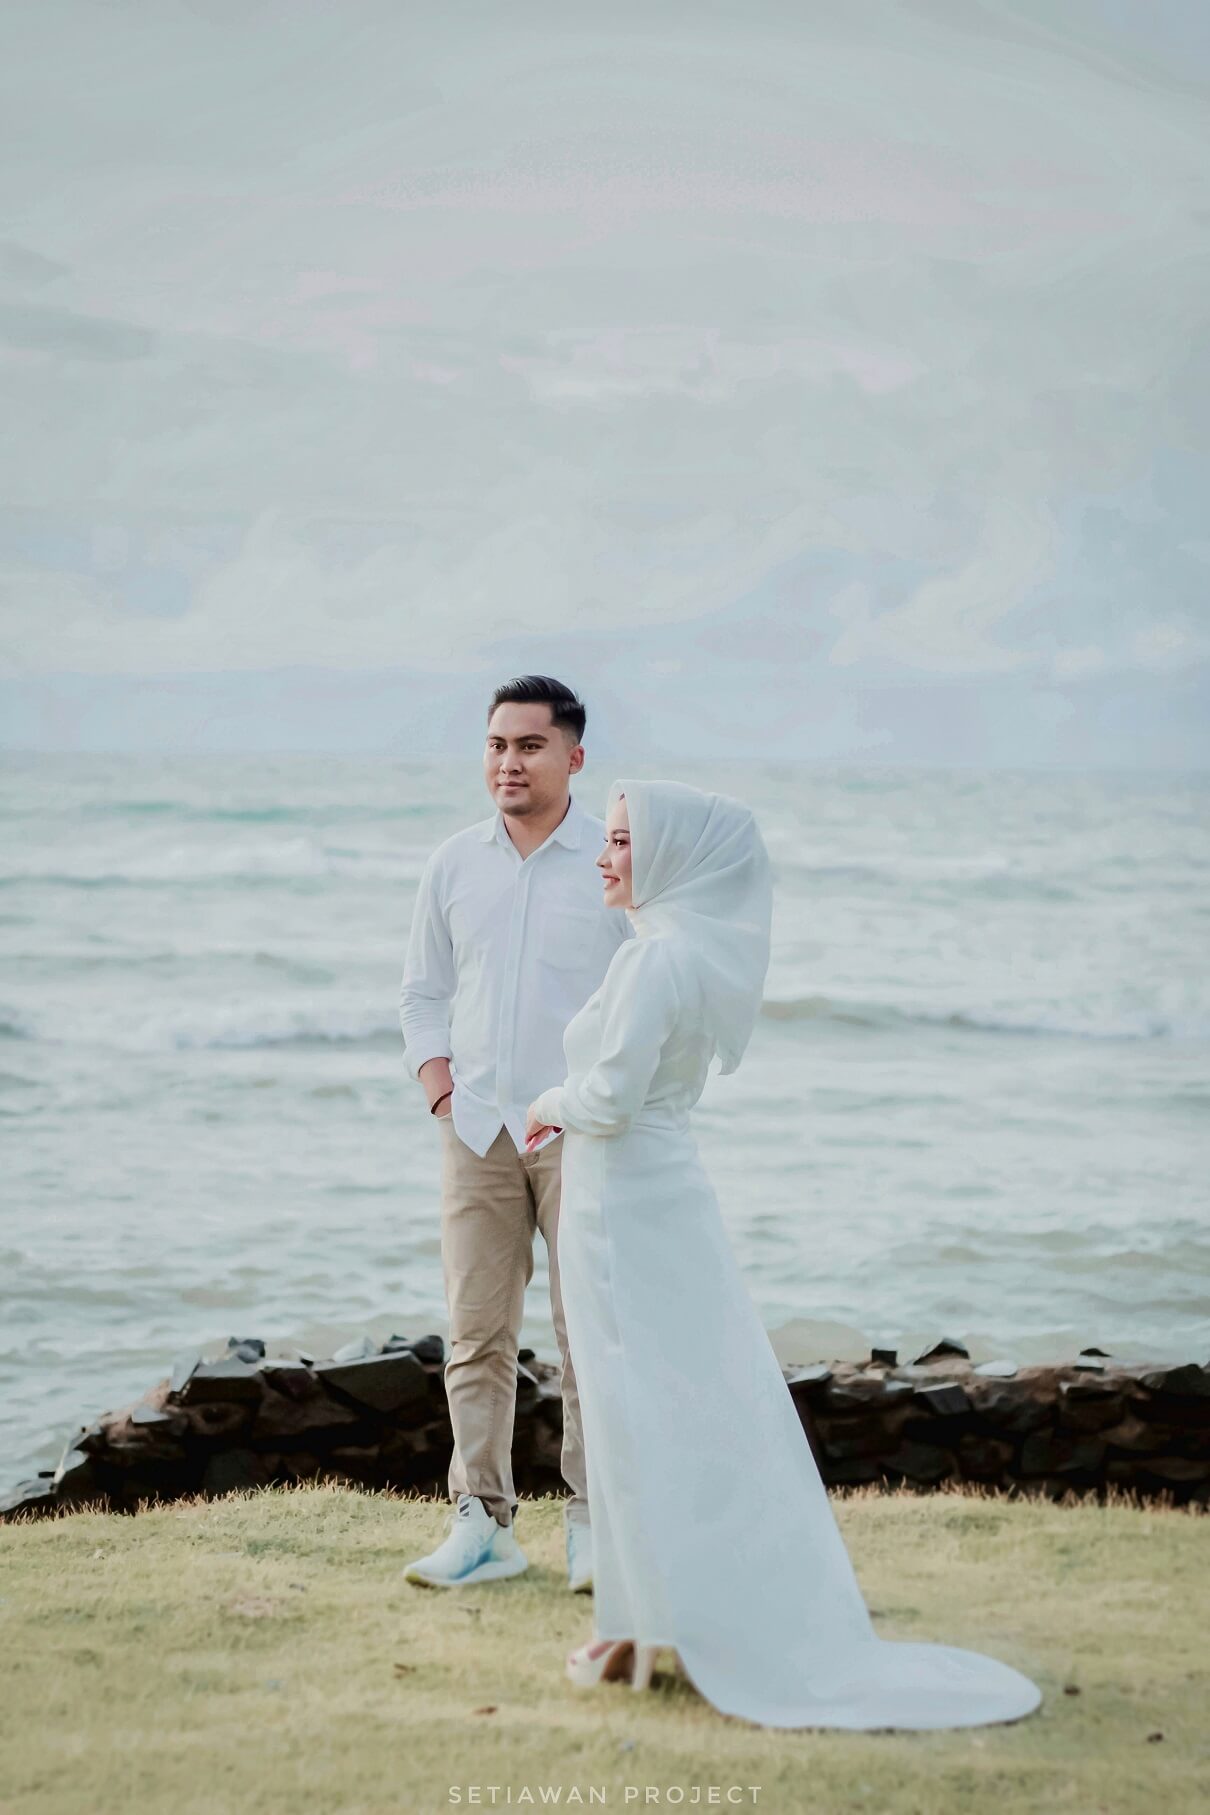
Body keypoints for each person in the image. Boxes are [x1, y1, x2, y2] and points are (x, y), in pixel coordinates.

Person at [524, 778, 1043, 1730]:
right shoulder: (686, 955)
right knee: (671, 1401)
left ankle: (642, 1624)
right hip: (663, 1195)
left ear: (671, 855)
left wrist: (546, 1102)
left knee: (632, 1407)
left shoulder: (655, 961)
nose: (604, 852)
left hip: (619, 1204)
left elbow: (609, 1101)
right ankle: (638, 1621)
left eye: (624, 840)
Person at [399, 676, 630, 1590]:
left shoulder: (612, 865)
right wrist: (440, 1093)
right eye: (497, 744)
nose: (508, 762)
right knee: (475, 1335)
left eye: (530, 746)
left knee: (590, 1336)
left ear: (574, 756)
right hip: (477, 1130)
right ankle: (482, 1522)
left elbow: (646, 1000)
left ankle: (594, 1525)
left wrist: (605, 1101)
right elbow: (422, 992)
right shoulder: (453, 863)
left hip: (580, 1134)